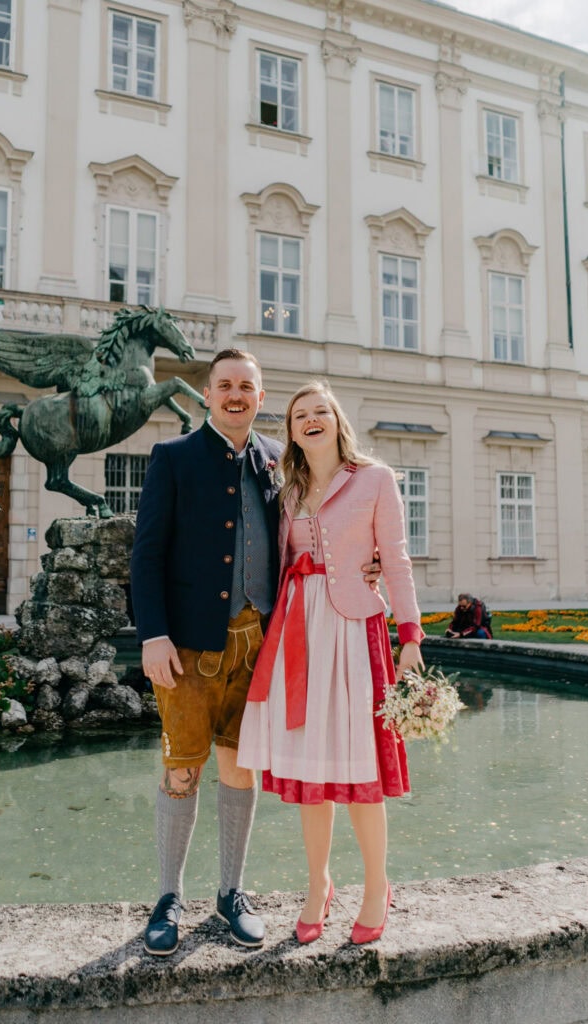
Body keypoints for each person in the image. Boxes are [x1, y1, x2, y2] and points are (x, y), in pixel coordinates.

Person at [130, 351, 381, 957]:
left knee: (240, 770)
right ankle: (168, 899)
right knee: (182, 768)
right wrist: (152, 634)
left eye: (247, 385)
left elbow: (316, 529)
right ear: (208, 394)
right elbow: (146, 553)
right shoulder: (173, 457)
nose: (236, 394)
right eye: (225, 386)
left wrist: (361, 565)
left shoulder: (279, 461)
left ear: (260, 396)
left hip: (262, 645)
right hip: (188, 647)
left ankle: (231, 893)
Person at [237, 381, 424, 947]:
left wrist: (410, 635)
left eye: (321, 411)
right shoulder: (287, 488)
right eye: (300, 415)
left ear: (337, 419)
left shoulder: (375, 479)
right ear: (290, 430)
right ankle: (318, 884)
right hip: (299, 631)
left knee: (361, 768)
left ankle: (376, 885)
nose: (311, 420)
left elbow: (395, 559)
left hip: (354, 630)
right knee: (310, 772)